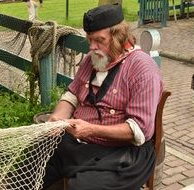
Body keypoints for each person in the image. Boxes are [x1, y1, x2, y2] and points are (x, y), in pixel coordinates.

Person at [43, 3, 163, 190]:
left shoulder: (142, 68)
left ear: (119, 37)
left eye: (99, 40)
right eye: (90, 39)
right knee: (36, 158)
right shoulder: (93, 59)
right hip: (83, 144)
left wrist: (91, 130)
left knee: (83, 186)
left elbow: (140, 131)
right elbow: (73, 94)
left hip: (123, 153)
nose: (92, 47)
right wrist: (58, 116)